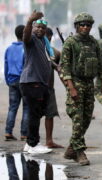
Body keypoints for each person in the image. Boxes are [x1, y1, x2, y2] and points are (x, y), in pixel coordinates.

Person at [60, 12, 102, 165]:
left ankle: (71, 149)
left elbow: (100, 64)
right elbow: (65, 68)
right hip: (76, 82)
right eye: (82, 24)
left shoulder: (94, 42)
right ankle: (79, 152)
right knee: (78, 118)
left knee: (86, 118)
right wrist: (71, 87)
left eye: (88, 25)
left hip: (89, 84)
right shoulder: (70, 43)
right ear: (77, 26)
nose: (85, 27)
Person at [20, 10, 52, 154]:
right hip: (33, 82)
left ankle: (29, 143)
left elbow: (46, 60)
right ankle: (33, 144)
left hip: (39, 83)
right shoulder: (31, 40)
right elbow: (25, 37)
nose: (40, 29)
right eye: (37, 26)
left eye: (43, 28)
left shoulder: (42, 42)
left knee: (36, 113)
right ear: (33, 28)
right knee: (34, 114)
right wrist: (29, 21)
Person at [4, 25, 30, 141]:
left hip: (12, 80)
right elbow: (27, 66)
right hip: (24, 81)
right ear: (25, 34)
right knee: (26, 107)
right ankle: (24, 133)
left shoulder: (9, 49)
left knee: (12, 108)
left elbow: (6, 66)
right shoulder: (26, 48)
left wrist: (7, 80)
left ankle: (8, 131)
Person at [44, 27, 63, 148]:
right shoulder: (34, 50)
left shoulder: (55, 53)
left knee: (50, 114)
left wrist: (69, 86)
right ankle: (30, 141)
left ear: (50, 37)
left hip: (49, 88)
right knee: (32, 115)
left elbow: (60, 71)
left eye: (46, 36)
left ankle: (49, 140)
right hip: (35, 87)